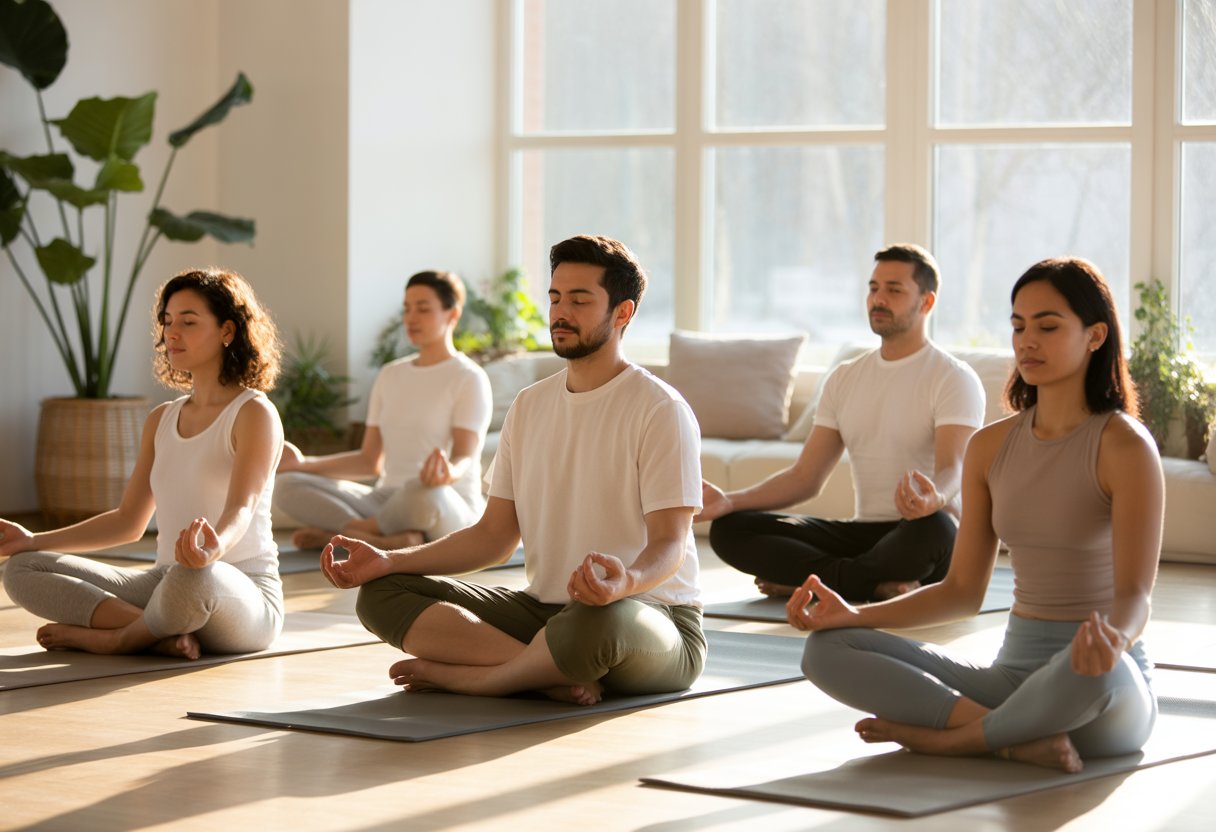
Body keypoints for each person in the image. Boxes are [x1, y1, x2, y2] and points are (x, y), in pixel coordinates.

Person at [793, 257, 1163, 773]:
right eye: (1018, 326)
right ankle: (1009, 735)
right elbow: (962, 590)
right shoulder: (990, 447)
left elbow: (1136, 597)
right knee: (826, 649)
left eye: (1048, 326)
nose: (1027, 340)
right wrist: (855, 617)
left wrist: (1114, 641)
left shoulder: (1125, 446)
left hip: (1100, 684)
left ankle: (954, 739)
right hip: (1012, 679)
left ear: (1095, 335)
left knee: (1099, 672)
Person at [319, 235, 705, 704]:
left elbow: (671, 543)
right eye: (556, 297)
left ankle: (485, 677)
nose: (561, 312)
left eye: (580, 300)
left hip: (649, 618)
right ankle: (545, 672)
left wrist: (625, 582)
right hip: (547, 613)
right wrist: (388, 561)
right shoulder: (529, 405)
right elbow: (494, 537)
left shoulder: (659, 408)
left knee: (597, 621)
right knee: (383, 593)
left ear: (622, 313)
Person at [1, 267, 285, 660]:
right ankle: (157, 631)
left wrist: (212, 548)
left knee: (193, 578)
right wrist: (32, 540)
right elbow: (128, 521)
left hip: (237, 589)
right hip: (164, 582)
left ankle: (117, 638)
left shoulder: (254, 412)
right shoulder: (161, 419)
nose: (172, 333)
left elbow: (242, 506)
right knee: (22, 569)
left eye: (188, 322)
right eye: (167, 322)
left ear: (227, 331)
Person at [699, 244, 986, 602]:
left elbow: (954, 466)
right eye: (873, 287)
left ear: (926, 303)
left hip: (919, 531)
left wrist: (935, 498)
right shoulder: (845, 378)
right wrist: (729, 501)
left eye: (894, 290)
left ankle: (815, 582)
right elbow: (806, 478)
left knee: (940, 528)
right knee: (730, 530)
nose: (879, 299)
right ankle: (864, 582)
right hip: (860, 535)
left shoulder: (953, 377)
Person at [275, 270, 492, 551]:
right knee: (287, 485)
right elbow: (369, 461)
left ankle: (351, 535)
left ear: (453, 314)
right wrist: (302, 464)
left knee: (421, 493)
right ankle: (383, 538)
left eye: (423, 309)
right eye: (407, 309)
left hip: (443, 499)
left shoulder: (469, 377)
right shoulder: (390, 375)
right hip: (385, 501)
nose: (411, 318)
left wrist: (448, 472)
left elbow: (465, 455)